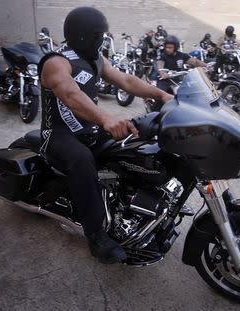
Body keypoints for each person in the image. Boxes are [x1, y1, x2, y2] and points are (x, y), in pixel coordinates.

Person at [38, 7, 173, 264]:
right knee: (81, 160)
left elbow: (127, 81)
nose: (102, 40)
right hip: (58, 134)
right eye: (99, 35)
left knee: (137, 141)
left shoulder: (96, 58)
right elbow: (69, 93)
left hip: (89, 129)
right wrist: (106, 118)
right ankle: (96, 235)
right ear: (82, 36)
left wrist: (162, 95)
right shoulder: (57, 61)